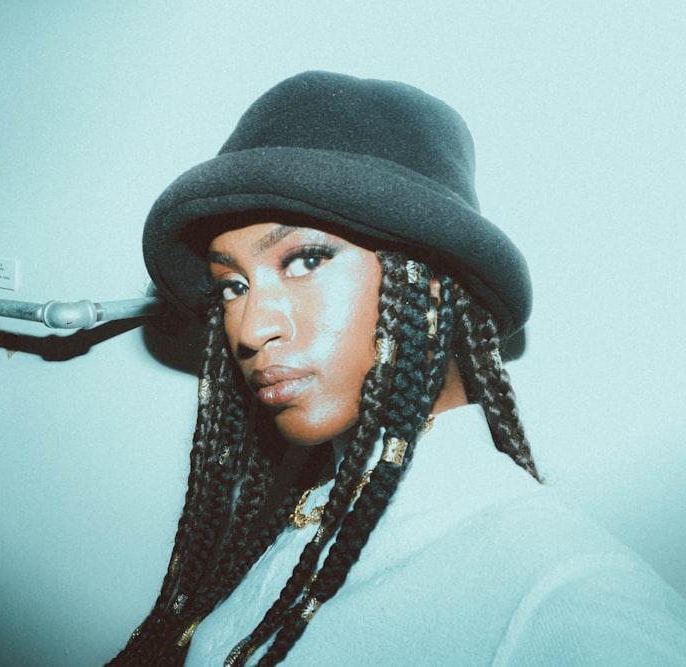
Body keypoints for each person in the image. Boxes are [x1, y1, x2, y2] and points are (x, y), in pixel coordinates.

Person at [108, 71, 686, 666]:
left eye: (306, 260)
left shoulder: (565, 595)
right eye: (232, 286)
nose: (252, 330)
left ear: (435, 284)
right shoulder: (306, 516)